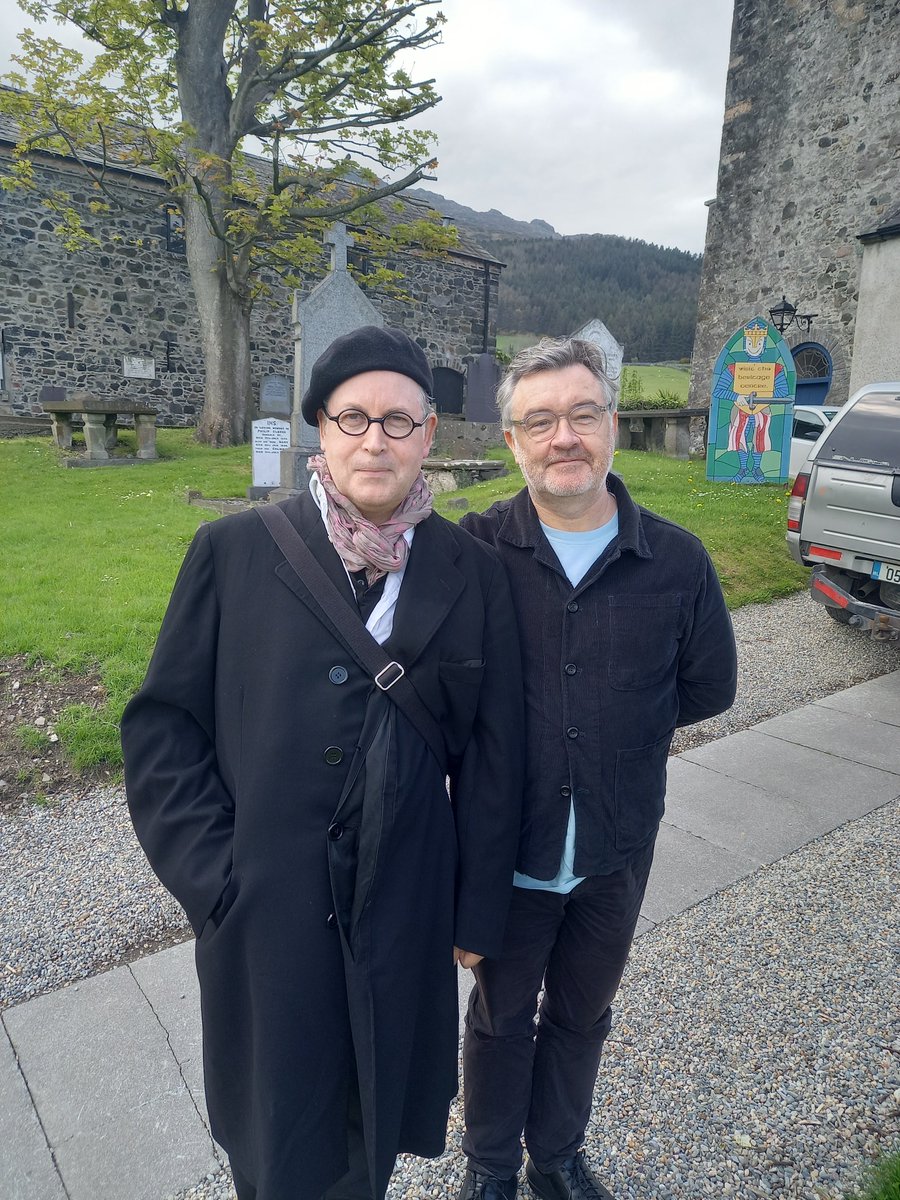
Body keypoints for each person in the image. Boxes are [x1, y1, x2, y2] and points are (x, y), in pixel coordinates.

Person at [121, 325, 523, 1200]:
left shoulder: (471, 572)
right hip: (266, 908)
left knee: (372, 1113)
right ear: (321, 430)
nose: (375, 440)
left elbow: (495, 757)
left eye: (398, 421)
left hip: (407, 905)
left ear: (429, 437)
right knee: (278, 1122)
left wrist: (474, 913)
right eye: (352, 418)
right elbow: (163, 730)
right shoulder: (232, 554)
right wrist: (217, 879)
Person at [457, 337, 737, 1200]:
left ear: (611, 425)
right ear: (512, 441)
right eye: (538, 421)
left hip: (616, 847)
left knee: (582, 1015)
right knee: (502, 1021)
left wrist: (613, 734)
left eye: (582, 415)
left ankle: (557, 1157)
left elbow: (708, 688)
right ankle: (492, 1166)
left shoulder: (678, 562)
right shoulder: (472, 554)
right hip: (509, 850)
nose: (562, 437)